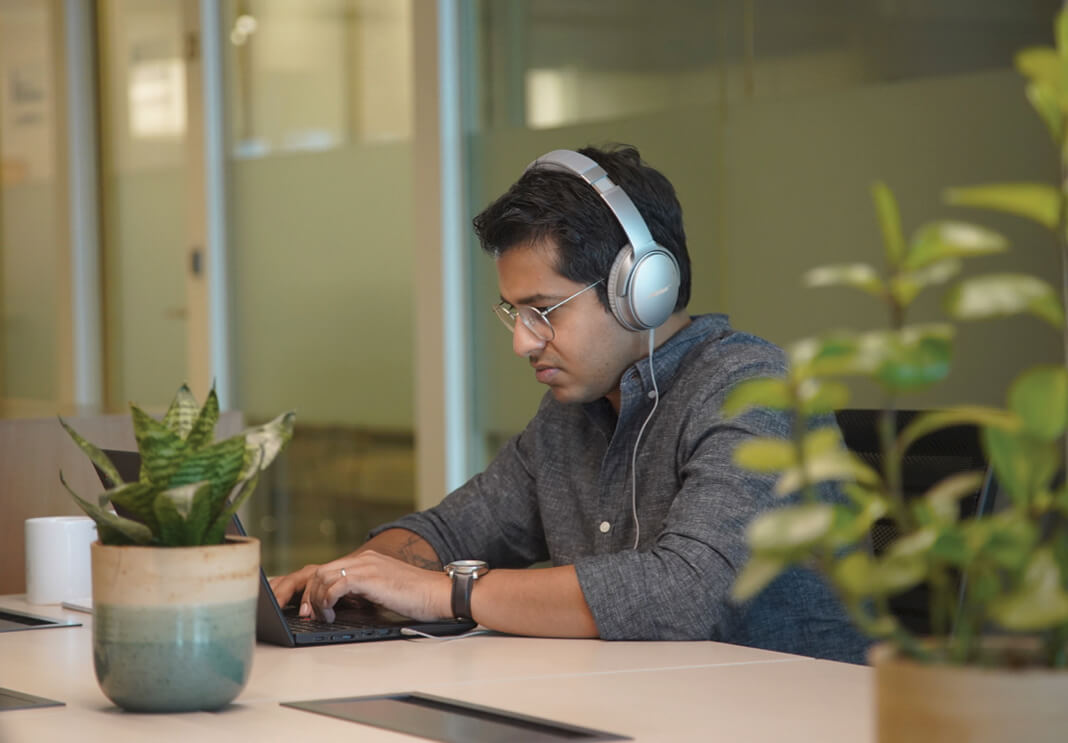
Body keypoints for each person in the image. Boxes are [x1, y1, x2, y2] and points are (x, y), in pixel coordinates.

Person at [270, 144, 870, 663]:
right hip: (642, 707)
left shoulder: (751, 389)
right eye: (514, 312)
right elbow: (451, 531)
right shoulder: (570, 415)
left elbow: (684, 595)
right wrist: (349, 578)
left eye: (545, 311)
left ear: (640, 289)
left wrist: (443, 593)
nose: (522, 341)